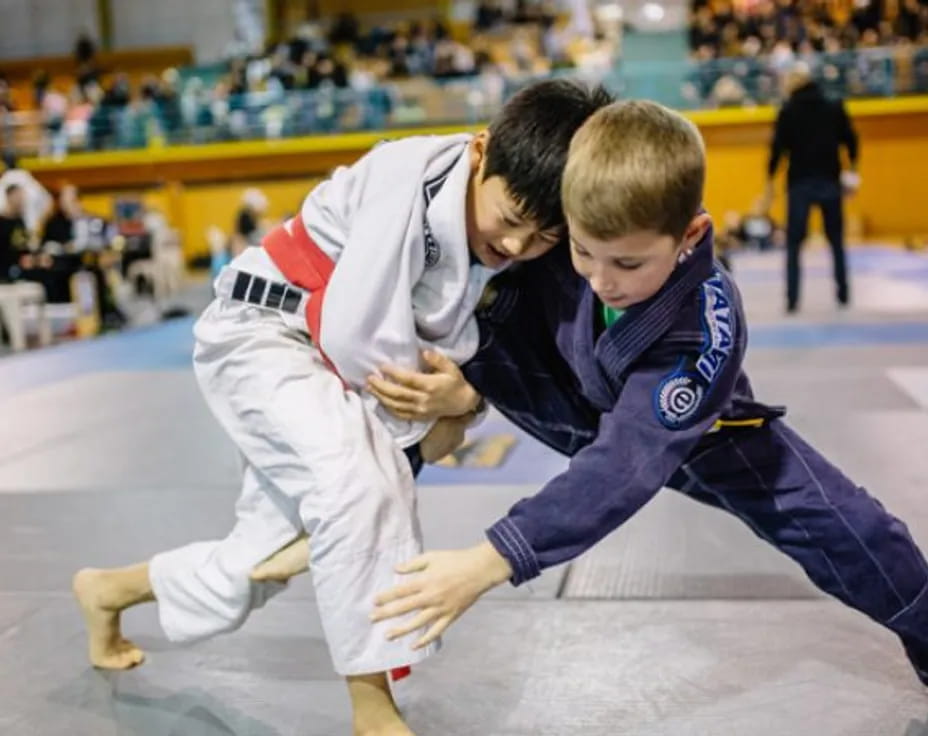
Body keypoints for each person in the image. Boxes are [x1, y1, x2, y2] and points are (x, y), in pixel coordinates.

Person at [71, 79, 611, 736]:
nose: (519, 246)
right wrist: (422, 437)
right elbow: (358, 333)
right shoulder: (403, 175)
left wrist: (463, 404)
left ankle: (108, 591)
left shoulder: (492, 228)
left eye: (543, 236)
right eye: (512, 220)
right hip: (265, 334)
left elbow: (482, 359)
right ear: (481, 150)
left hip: (330, 363)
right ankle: (371, 708)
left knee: (264, 559)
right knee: (360, 491)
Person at [359, 100, 928, 689]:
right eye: (582, 250)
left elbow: (625, 464)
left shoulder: (702, 324)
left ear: (690, 234)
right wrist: (469, 390)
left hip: (697, 437)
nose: (602, 279)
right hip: (551, 389)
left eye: (628, 262)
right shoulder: (558, 226)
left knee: (848, 526)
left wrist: (490, 559)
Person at [765, 62, 859, 313]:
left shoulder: (788, 110)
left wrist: (770, 179)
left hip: (800, 184)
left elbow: (777, 149)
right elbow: (851, 140)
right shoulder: (834, 106)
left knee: (794, 244)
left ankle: (792, 299)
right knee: (836, 241)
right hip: (830, 181)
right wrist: (852, 171)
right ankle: (843, 294)